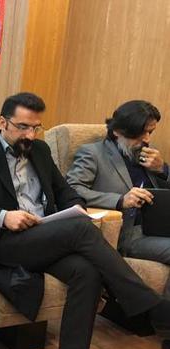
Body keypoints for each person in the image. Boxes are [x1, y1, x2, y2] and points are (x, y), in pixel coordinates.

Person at [0, 92, 170, 349]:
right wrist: (4, 216)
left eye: (36, 128)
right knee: (80, 229)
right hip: (6, 242)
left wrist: (76, 207)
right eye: (23, 127)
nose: (30, 135)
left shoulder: (40, 150)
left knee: (87, 271)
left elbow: (65, 191)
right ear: (3, 122)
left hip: (46, 234)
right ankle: (148, 304)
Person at [66, 101, 170, 280]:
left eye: (150, 132)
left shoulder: (149, 155)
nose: (147, 139)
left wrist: (163, 170)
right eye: (140, 133)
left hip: (159, 227)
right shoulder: (93, 153)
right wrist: (120, 200)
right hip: (129, 234)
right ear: (117, 131)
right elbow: (71, 190)